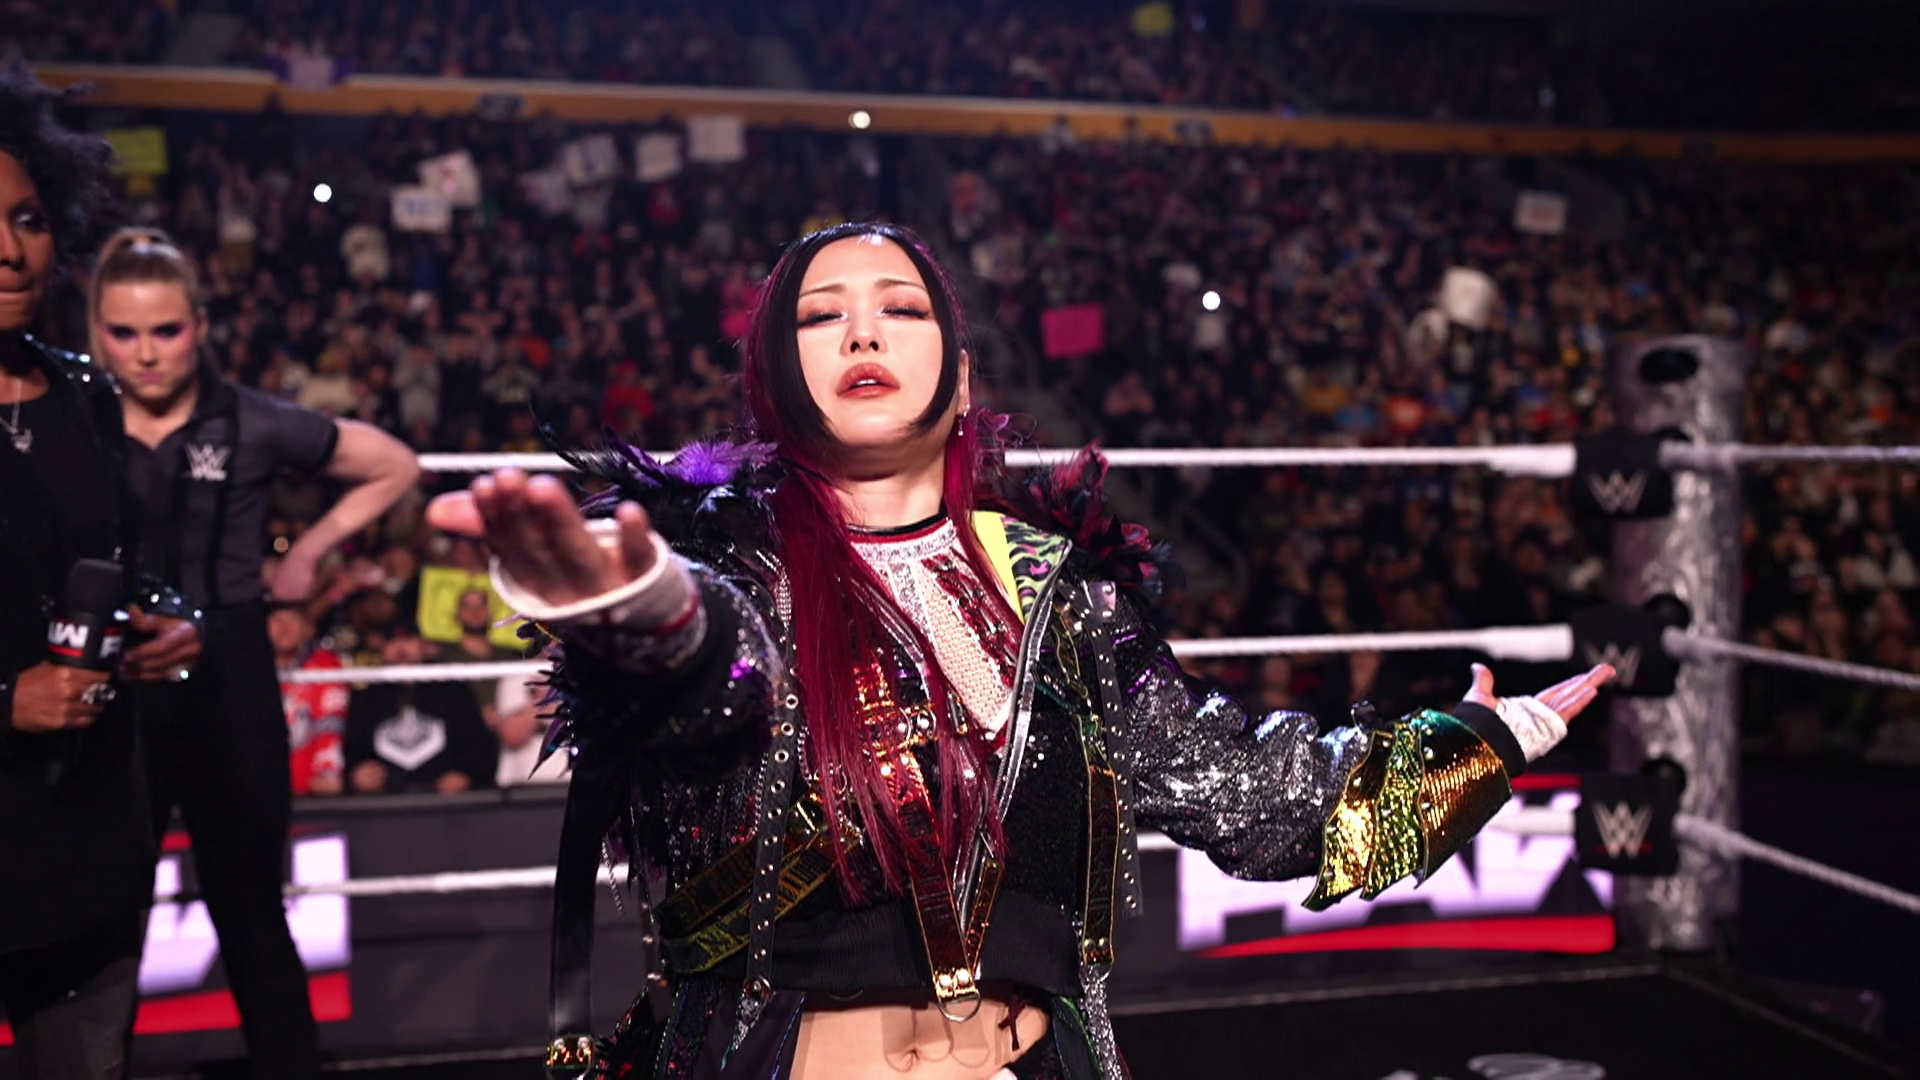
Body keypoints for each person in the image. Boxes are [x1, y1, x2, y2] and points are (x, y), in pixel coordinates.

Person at [428, 223, 1615, 1079]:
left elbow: (1246, 793)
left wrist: (1486, 739)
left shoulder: (1063, 591)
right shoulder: (731, 563)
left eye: (900, 308)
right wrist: (640, 607)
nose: (862, 329)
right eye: (820, 314)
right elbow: (713, 683)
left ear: (959, 373)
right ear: (774, 377)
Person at [87, 227, 422, 1080]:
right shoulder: (72, 418)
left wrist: (307, 554)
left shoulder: (252, 419)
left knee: (250, 912)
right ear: (94, 331)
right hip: (110, 682)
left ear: (200, 326)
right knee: (105, 921)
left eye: (166, 330)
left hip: (229, 680)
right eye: (123, 332)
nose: (146, 353)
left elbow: (394, 464)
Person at [0, 64, 203, 1080]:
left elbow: (126, 561)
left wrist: (167, 618)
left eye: (28, 219)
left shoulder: (85, 393)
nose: (9, 249)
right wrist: (5, 699)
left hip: (86, 851)